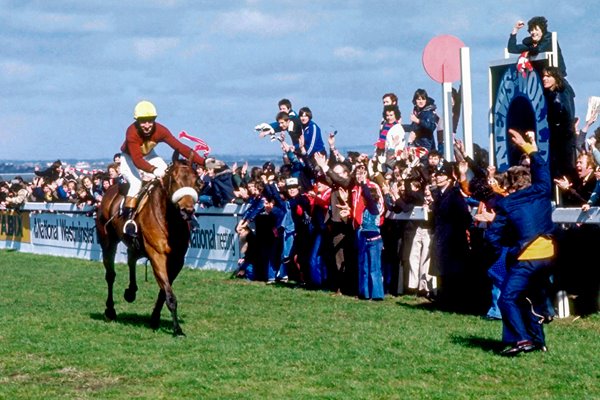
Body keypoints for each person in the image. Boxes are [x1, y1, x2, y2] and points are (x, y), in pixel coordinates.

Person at [485, 128, 555, 356]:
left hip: (526, 258)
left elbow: (493, 235)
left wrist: (500, 252)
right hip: (548, 257)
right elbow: (543, 168)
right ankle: (538, 341)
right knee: (529, 299)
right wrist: (529, 148)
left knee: (507, 299)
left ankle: (522, 340)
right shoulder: (543, 190)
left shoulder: (507, 204)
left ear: (512, 186)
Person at [119, 100, 205, 237]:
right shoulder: (132, 132)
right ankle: (129, 221)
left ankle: (183, 213)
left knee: (168, 176)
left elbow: (180, 147)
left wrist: (203, 162)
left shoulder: (161, 130)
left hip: (149, 155)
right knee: (136, 183)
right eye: (143, 121)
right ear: (137, 121)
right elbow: (137, 160)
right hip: (129, 158)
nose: (147, 125)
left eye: (150, 121)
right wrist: (153, 170)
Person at [542, 66, 577, 181]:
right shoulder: (559, 92)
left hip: (562, 141)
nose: (544, 79)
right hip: (562, 139)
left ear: (556, 78)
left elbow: (564, 118)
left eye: (548, 76)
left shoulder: (558, 98)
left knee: (564, 173)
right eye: (544, 76)